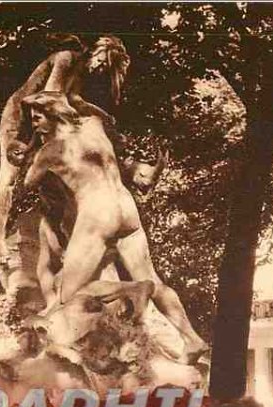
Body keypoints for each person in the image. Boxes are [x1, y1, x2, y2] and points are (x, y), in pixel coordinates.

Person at [21, 91, 207, 364]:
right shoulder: (94, 126)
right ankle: (191, 339)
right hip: (126, 207)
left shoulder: (50, 151)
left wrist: (30, 146)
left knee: (69, 294)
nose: (34, 123)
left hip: (97, 211)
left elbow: (27, 183)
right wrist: (77, 102)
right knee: (154, 280)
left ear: (54, 115)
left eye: (38, 117)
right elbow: (104, 116)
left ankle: (132, 289)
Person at [0, 36, 130, 281]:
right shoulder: (66, 58)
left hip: (44, 119)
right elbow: (48, 98)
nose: (99, 68)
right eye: (101, 61)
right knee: (9, 178)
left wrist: (103, 116)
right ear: (96, 51)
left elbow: (74, 100)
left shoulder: (80, 70)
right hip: (20, 119)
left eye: (105, 69)